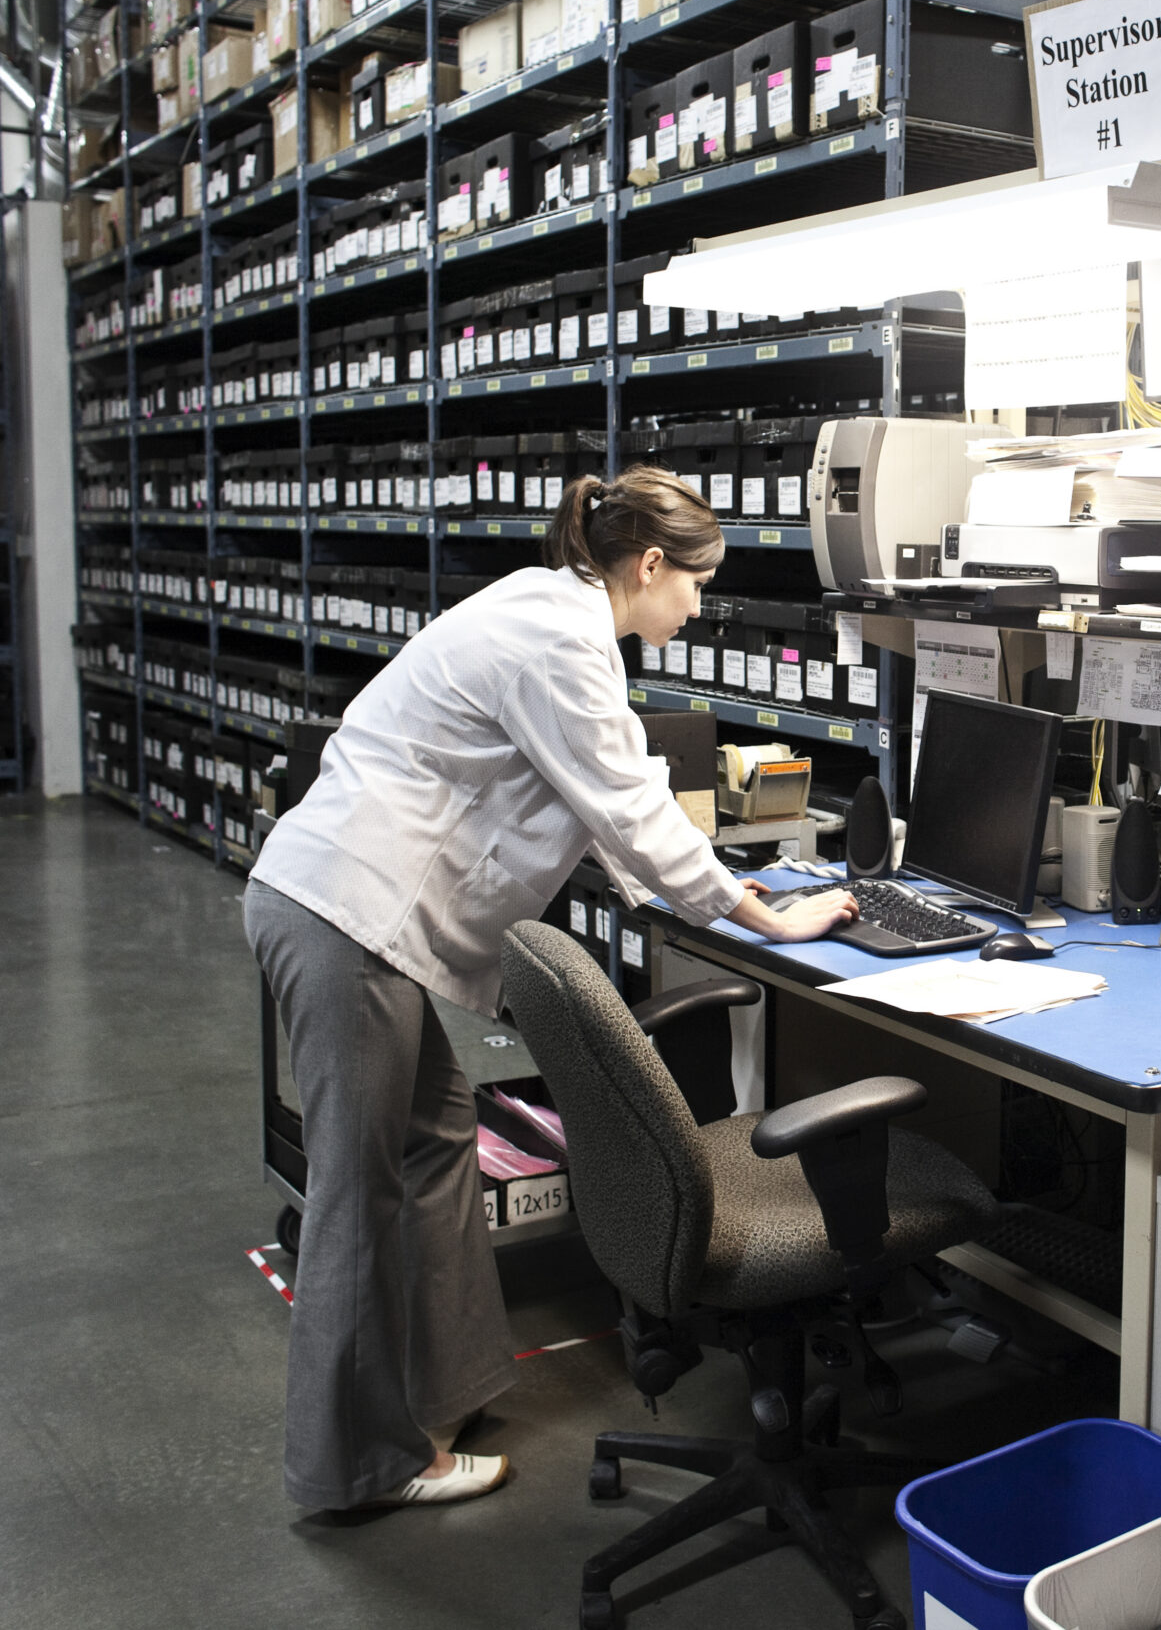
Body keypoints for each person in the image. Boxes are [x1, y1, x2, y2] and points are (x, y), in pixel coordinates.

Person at [244, 465, 857, 1512]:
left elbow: (593, 800)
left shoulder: (549, 614)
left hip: (361, 915)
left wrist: (702, 883)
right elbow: (630, 805)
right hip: (348, 918)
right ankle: (354, 1467)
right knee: (357, 1190)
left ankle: (444, 1395)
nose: (699, 606)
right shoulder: (565, 642)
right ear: (650, 564)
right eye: (696, 582)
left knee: (436, 1147)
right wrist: (770, 915)